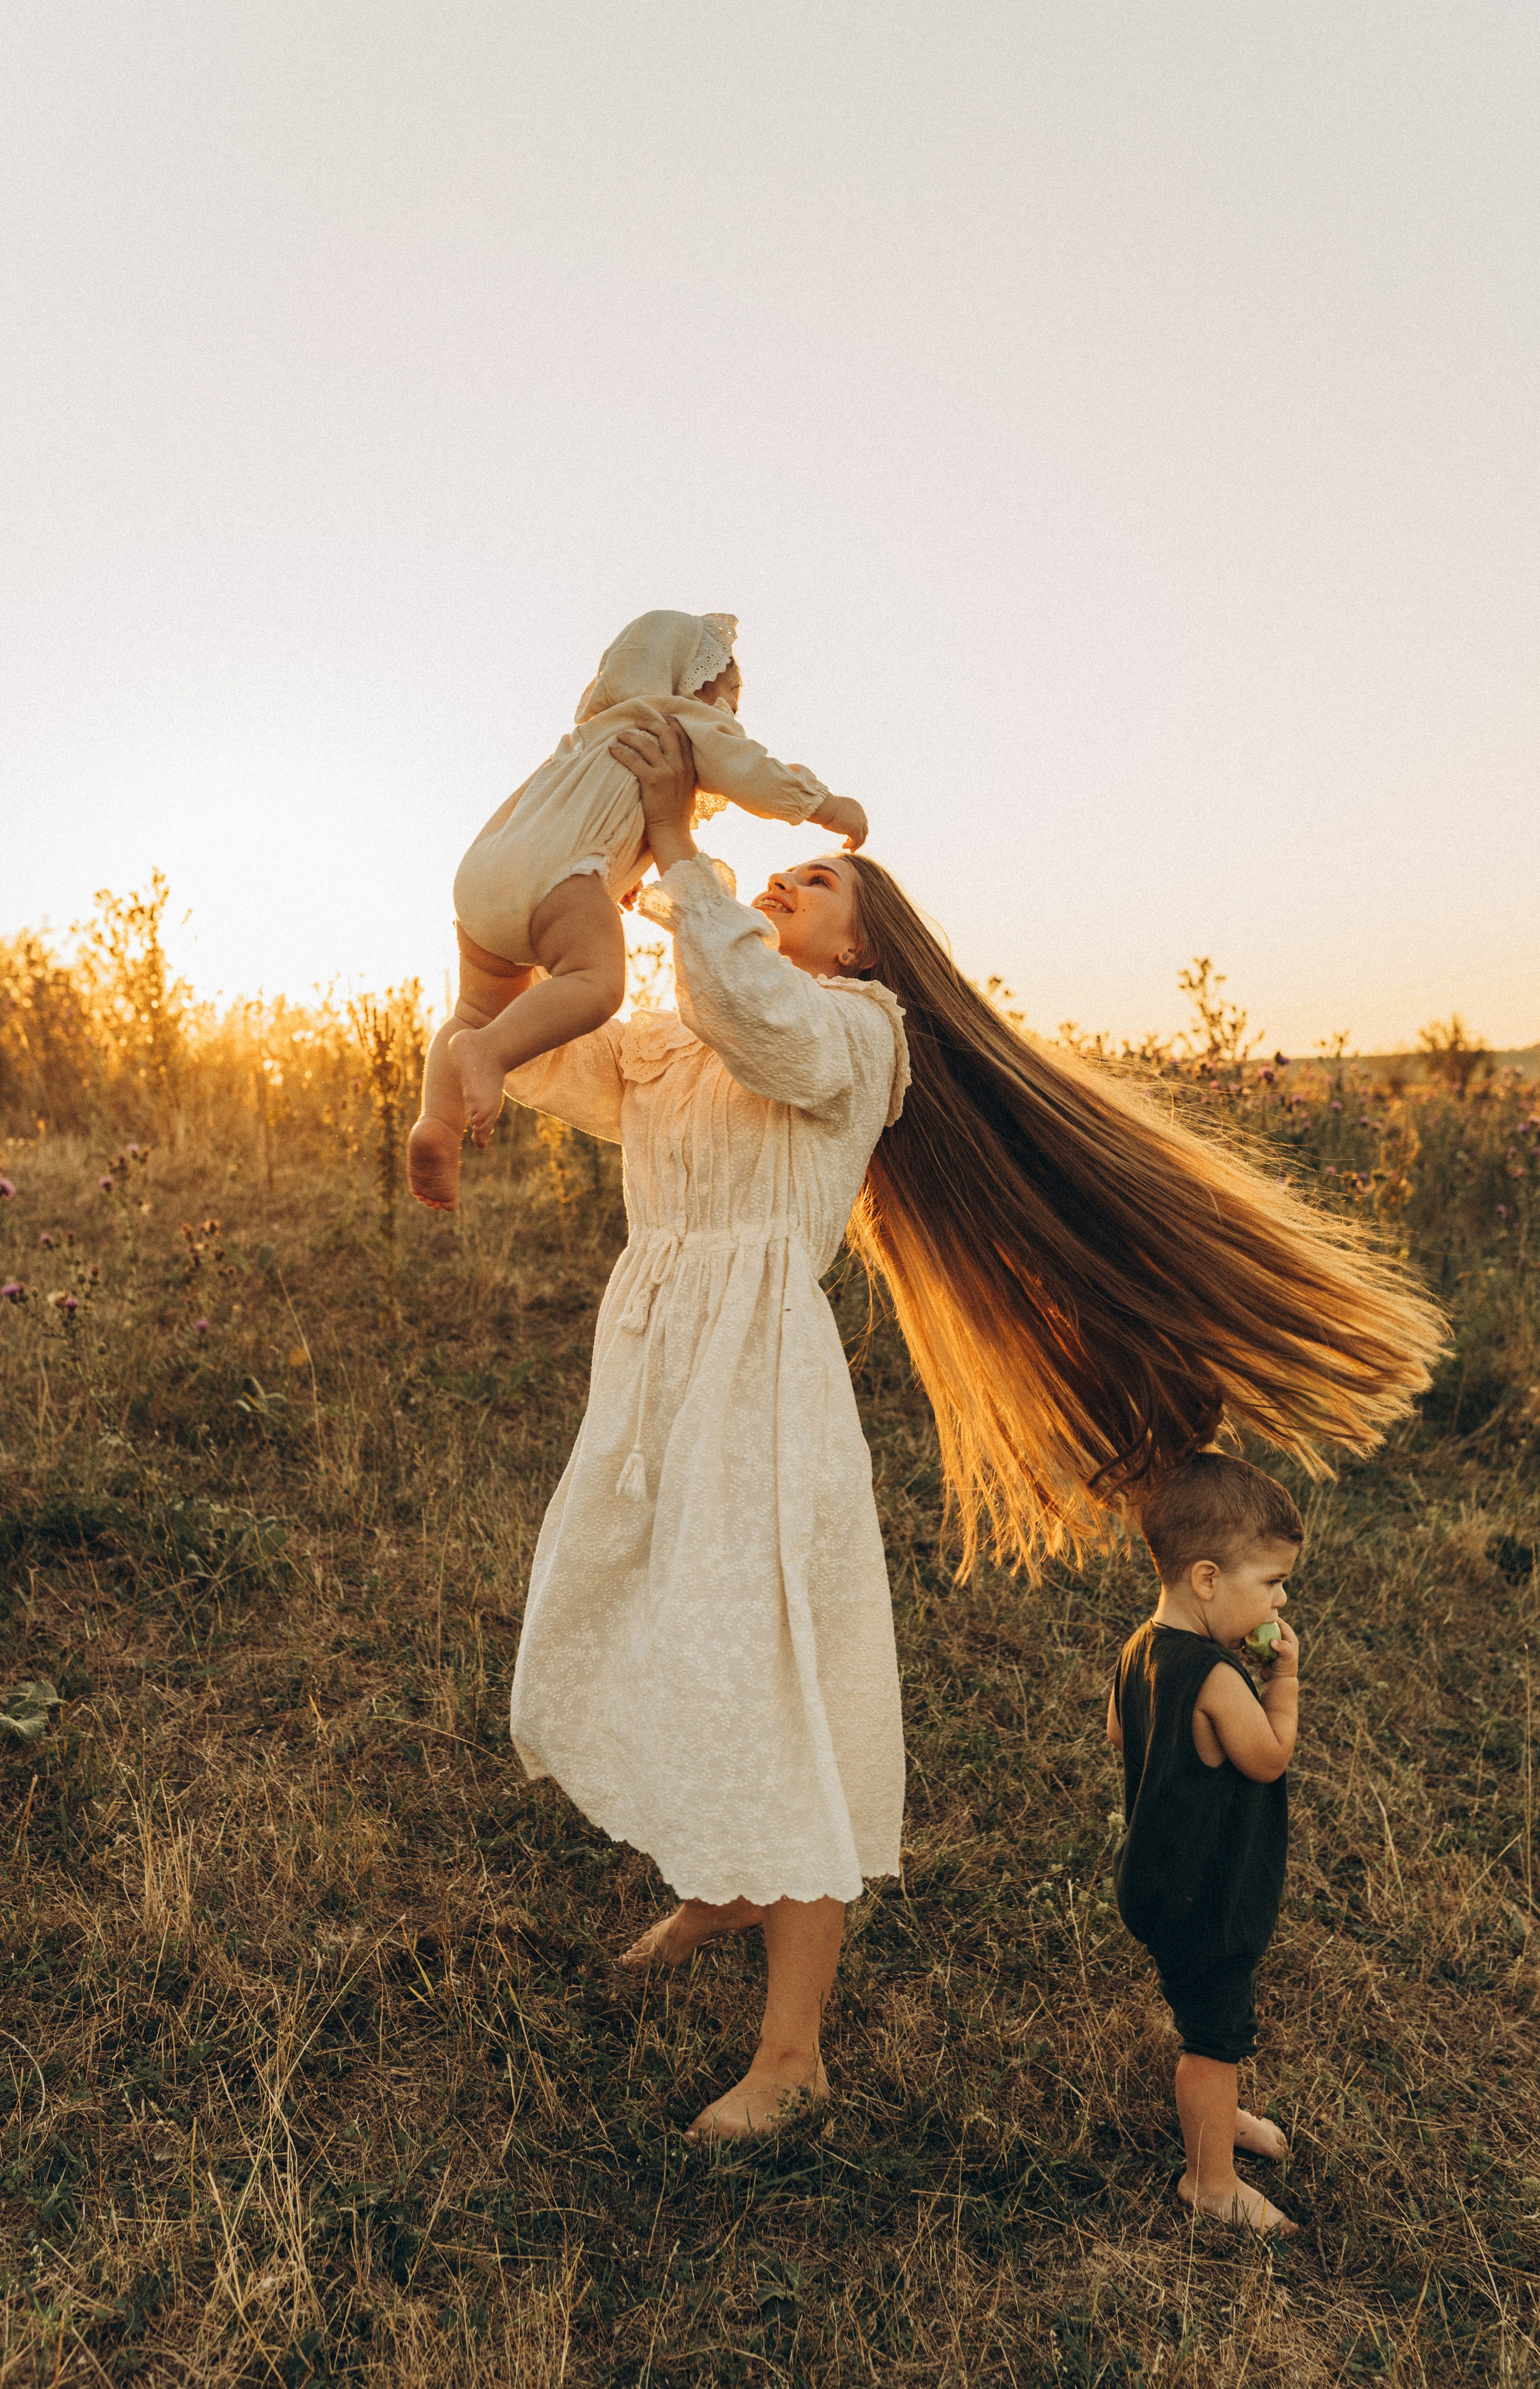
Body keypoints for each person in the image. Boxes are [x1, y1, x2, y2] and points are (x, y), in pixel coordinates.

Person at [502, 714, 1441, 2141]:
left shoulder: (854, 1034)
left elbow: (762, 1020)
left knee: (778, 1677)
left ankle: (792, 2049)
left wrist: (688, 851)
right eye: (777, 875)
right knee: (662, 1630)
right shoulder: (683, 1032)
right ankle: (726, 1876)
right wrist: (523, 918)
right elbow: (544, 1060)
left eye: (811, 884)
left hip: (760, 1395)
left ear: (870, 949)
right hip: (652, 1385)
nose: (778, 885)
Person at [407, 610, 868, 1211]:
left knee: (475, 1008)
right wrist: (826, 806)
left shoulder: (588, 738)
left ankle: (435, 1125)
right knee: (597, 985)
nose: (732, 716)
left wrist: (622, 871)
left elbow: (578, 821)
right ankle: (487, 1051)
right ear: (689, 683)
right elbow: (750, 771)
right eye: (727, 698)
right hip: (560, 879)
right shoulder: (678, 723)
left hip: (482, 876)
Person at [1106, 1453, 1303, 2232]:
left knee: (1208, 2011)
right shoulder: (1221, 1680)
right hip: (1207, 1891)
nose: (1282, 1600)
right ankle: (1209, 2181)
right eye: (1272, 1582)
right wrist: (1281, 1683)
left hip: (1154, 1875)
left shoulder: (1139, 1649)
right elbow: (1267, 1757)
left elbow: (1119, 1731)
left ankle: (1217, 2120)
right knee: (1211, 2034)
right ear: (1208, 1579)